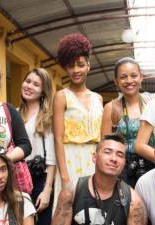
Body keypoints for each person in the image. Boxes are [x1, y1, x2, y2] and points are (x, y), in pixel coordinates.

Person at [19, 68, 56, 225]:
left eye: (36, 84)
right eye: (27, 81)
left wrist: (48, 188)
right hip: (17, 179)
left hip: (40, 177)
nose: (29, 86)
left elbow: (51, 158)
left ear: (43, 91)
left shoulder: (47, 117)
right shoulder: (13, 113)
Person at [53, 33, 103, 194]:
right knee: (69, 210)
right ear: (65, 68)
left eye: (80, 65)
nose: (76, 70)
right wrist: (64, 176)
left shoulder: (98, 98)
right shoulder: (61, 96)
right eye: (70, 66)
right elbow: (58, 138)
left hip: (95, 160)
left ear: (88, 65)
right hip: (70, 160)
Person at [101, 57, 154, 187]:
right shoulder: (111, 108)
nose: (129, 81)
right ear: (116, 81)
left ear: (141, 77)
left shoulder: (152, 104)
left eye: (134, 75)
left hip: (152, 167)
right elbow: (105, 146)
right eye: (123, 77)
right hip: (122, 171)